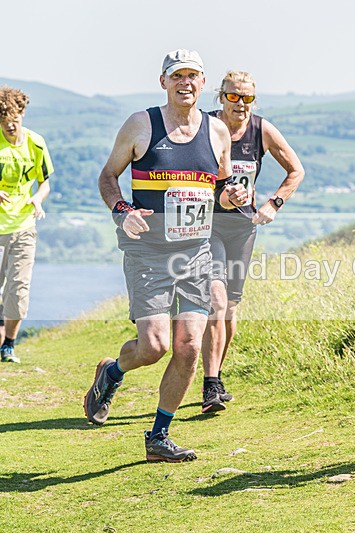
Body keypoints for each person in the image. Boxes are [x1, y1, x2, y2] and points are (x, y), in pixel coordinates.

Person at [84, 49, 248, 462]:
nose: (185, 83)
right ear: (164, 82)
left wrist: (231, 196)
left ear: (203, 82)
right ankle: (112, 371)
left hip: (196, 250)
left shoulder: (217, 132)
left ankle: (158, 436)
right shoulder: (141, 125)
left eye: (193, 76)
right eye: (177, 76)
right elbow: (108, 176)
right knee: (154, 346)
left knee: (189, 344)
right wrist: (122, 211)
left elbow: (219, 191)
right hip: (148, 250)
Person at [199, 71, 304, 413]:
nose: (240, 104)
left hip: (243, 228)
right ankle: (209, 384)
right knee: (216, 301)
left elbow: (296, 170)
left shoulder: (262, 130)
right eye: (233, 96)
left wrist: (274, 203)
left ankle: (216, 377)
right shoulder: (204, 125)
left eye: (247, 98)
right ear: (221, 97)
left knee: (230, 308)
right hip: (208, 225)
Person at [0, 86, 52, 364]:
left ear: (22, 114)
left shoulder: (36, 143)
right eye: (3, 119)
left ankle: (8, 345)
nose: (9, 124)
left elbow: (45, 183)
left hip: (23, 227)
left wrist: (37, 199)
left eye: (14, 118)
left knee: (18, 289)